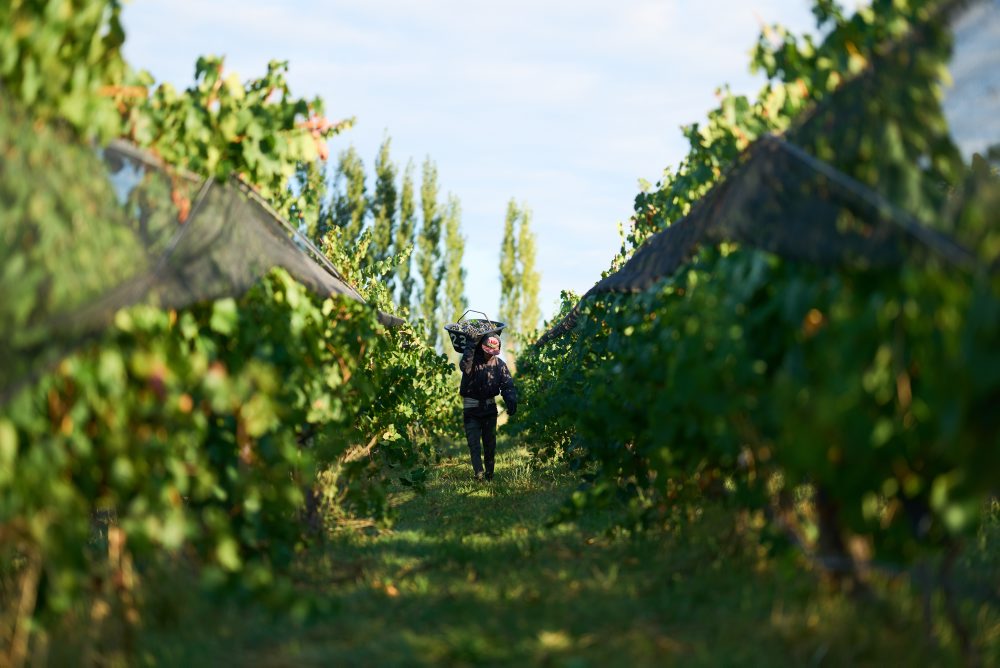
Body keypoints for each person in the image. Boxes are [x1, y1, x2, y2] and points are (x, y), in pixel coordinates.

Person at [459, 334, 517, 481]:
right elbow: (463, 366)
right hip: (471, 410)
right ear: (482, 347)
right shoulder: (471, 361)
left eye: (493, 351)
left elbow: (507, 385)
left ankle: (489, 475)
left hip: (489, 410)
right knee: (474, 445)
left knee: (490, 444)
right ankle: (479, 473)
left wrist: (510, 399)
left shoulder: (500, 365)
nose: (489, 354)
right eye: (487, 350)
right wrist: (470, 345)